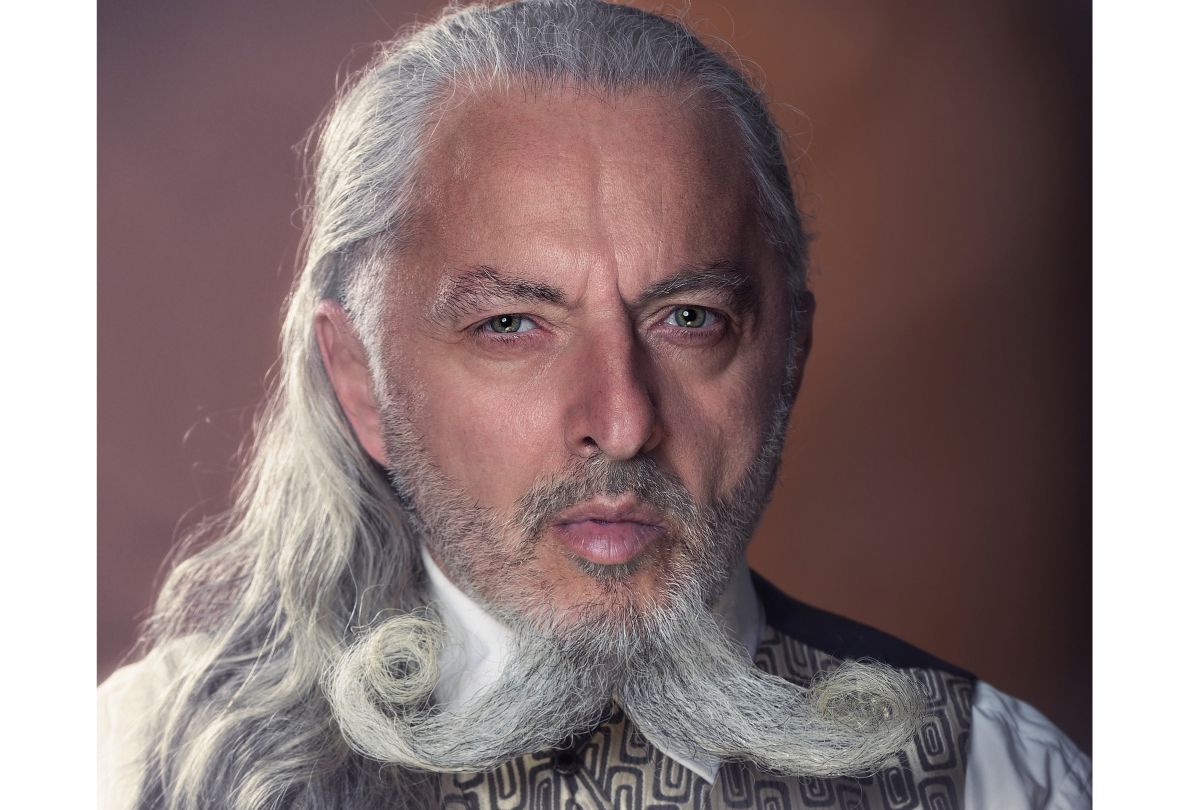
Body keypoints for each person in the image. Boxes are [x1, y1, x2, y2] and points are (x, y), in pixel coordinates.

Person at [97, 1, 1091, 808]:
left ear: (789, 351)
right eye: (511, 326)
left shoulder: (995, 779)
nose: (621, 423)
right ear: (359, 381)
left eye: (689, 318)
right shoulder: (138, 764)